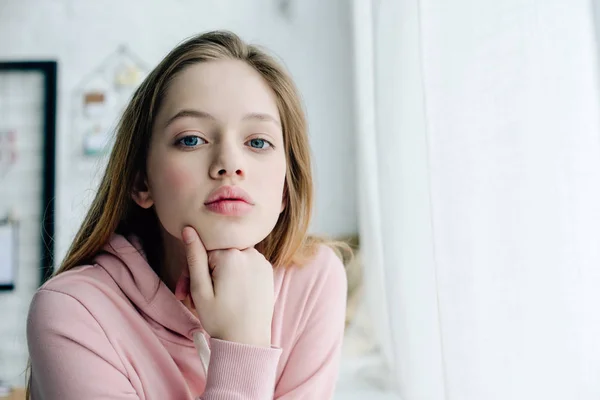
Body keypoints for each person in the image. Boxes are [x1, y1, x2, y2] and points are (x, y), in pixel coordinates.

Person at [25, 30, 349, 399]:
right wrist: (242, 345)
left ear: (285, 189)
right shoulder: (73, 313)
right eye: (191, 139)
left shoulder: (314, 280)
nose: (229, 164)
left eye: (257, 142)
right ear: (141, 182)